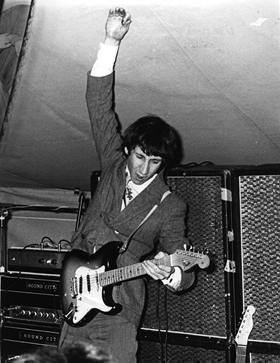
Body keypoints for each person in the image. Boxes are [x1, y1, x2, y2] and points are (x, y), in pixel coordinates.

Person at [59, 7, 195, 363]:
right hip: (74, 297)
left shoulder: (169, 204)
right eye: (139, 157)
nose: (144, 168)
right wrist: (111, 41)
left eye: (155, 162)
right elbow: (98, 106)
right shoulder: (113, 163)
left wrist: (172, 273)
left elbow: (183, 269)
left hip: (119, 307)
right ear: (126, 150)